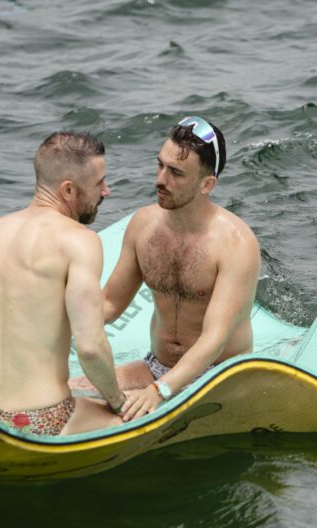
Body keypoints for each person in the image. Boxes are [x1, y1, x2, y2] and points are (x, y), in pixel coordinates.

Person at [0, 131, 126, 436]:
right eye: (99, 183)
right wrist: (117, 402)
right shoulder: (79, 241)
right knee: (137, 413)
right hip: (41, 417)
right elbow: (90, 347)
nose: (107, 190)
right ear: (68, 190)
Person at [103, 116, 261, 421]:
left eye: (175, 173)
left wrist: (159, 391)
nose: (160, 180)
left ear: (207, 184)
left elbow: (213, 339)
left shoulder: (236, 243)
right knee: (71, 390)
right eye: (160, 165)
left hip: (218, 376)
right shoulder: (143, 226)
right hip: (157, 367)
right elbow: (109, 303)